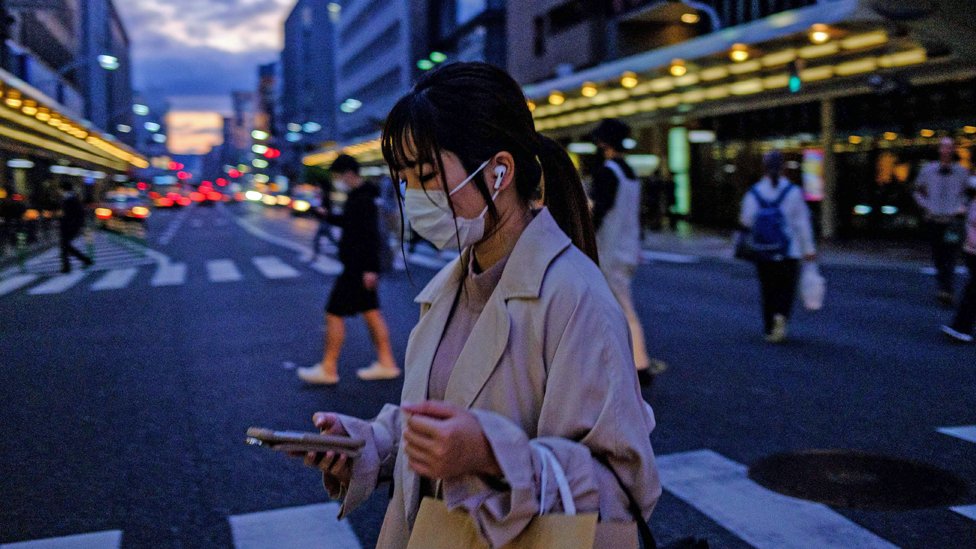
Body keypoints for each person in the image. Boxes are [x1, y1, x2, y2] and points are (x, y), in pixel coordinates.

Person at [294, 62, 660, 548]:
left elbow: (623, 488)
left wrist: (489, 454)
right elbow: (443, 415)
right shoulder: (452, 284)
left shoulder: (576, 297)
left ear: (499, 170)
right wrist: (368, 445)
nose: (415, 197)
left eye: (427, 175)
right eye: (404, 180)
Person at [297, 154, 400, 385]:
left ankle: (328, 368)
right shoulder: (361, 196)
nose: (337, 181)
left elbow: (369, 235)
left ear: (349, 173)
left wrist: (370, 269)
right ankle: (386, 362)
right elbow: (352, 224)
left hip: (357, 267)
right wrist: (329, 216)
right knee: (371, 312)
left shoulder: (363, 198)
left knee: (334, 312)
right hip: (359, 265)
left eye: (338, 176)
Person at [589, 118, 665, 386]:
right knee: (613, 308)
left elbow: (599, 213)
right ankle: (626, 363)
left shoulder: (607, 173)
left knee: (620, 309)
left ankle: (639, 364)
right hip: (627, 248)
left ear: (604, 143)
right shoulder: (630, 173)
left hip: (608, 250)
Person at [739, 150, 816, 343]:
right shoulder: (793, 192)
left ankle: (769, 327)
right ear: (783, 168)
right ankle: (781, 317)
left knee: (768, 289)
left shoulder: (754, 192)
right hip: (789, 251)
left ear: (764, 168)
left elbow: (746, 220)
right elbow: (802, 223)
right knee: (786, 290)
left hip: (764, 251)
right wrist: (809, 249)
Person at [913, 137, 970, 306]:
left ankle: (947, 289)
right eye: (944, 147)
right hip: (934, 218)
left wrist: (962, 206)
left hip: (953, 221)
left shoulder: (962, 172)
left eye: (950, 147)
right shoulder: (928, 170)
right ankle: (943, 286)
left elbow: (968, 193)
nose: (946, 151)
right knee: (938, 254)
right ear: (939, 150)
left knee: (950, 254)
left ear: (954, 150)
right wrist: (926, 206)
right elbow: (917, 190)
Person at [941, 189, 976, 343]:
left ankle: (962, 327)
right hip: (971, 250)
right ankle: (961, 327)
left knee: (972, 291)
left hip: (971, 249)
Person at [58, 181, 92, 273]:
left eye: (59, 189)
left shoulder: (70, 199)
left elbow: (71, 213)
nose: (59, 191)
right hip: (70, 225)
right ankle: (82, 261)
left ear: (62, 189)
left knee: (64, 245)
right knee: (65, 245)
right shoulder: (71, 198)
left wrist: (65, 219)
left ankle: (68, 266)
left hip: (70, 225)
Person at [310, 177, 338, 260]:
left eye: (319, 186)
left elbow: (327, 210)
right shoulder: (324, 195)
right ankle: (315, 254)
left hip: (326, 221)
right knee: (330, 238)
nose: (318, 187)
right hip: (325, 221)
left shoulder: (326, 196)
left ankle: (315, 255)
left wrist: (320, 210)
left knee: (317, 238)